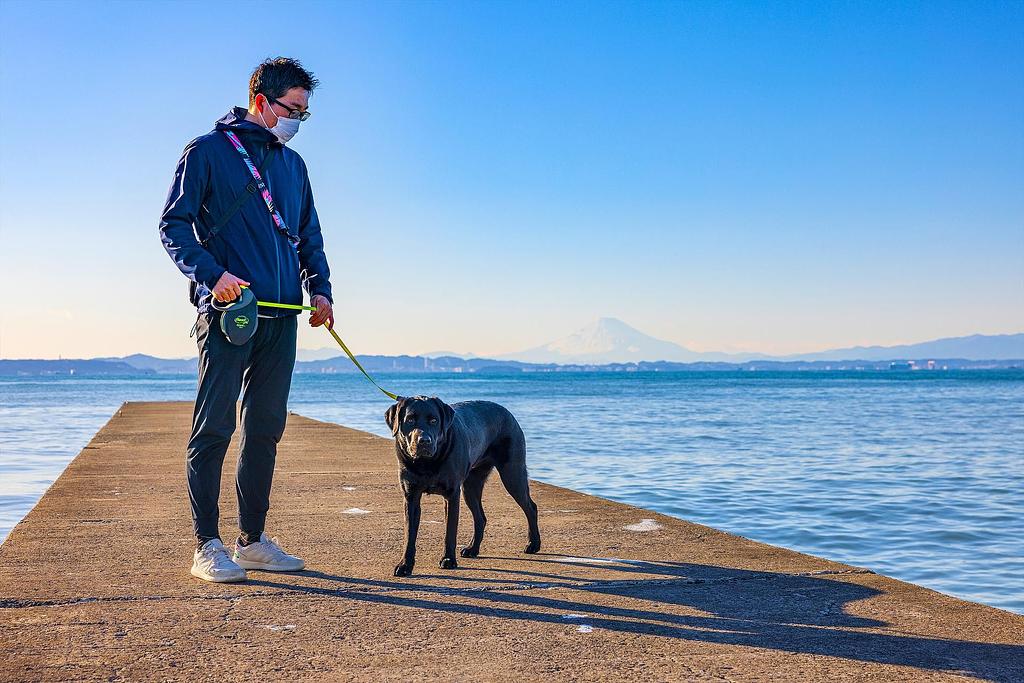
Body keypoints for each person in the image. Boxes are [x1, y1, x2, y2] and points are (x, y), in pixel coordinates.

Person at [159, 57, 334, 583]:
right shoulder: (207, 152)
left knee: (265, 428)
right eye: (293, 109)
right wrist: (213, 276)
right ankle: (206, 544)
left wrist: (320, 289)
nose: (299, 121)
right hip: (230, 315)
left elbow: (309, 234)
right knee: (213, 428)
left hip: (282, 316)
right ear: (262, 102)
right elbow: (173, 226)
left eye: (305, 112)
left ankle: (252, 540)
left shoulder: (294, 166)